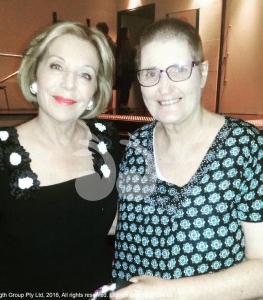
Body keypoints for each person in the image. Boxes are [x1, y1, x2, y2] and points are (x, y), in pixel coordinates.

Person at [0, 21, 119, 299]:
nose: (69, 84)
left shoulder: (106, 141)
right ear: (35, 72)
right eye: (57, 66)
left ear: (96, 89)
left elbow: (111, 223)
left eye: (85, 74)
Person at [111, 18, 263, 299]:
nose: (164, 88)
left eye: (179, 70)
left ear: (202, 73)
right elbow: (120, 221)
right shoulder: (135, 146)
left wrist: (170, 293)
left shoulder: (246, 147)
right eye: (150, 73)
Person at [115, 27, 136, 112]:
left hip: (121, 70)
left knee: (122, 89)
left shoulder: (119, 45)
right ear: (126, 33)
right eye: (128, 32)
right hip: (128, 70)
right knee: (126, 89)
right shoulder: (128, 45)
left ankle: (121, 105)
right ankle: (124, 106)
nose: (129, 34)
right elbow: (134, 56)